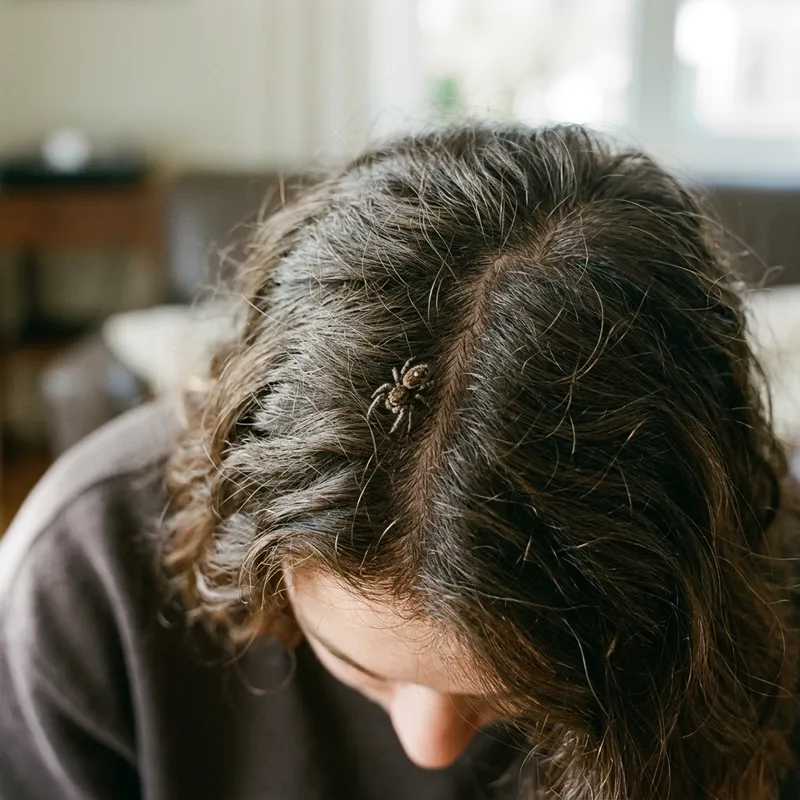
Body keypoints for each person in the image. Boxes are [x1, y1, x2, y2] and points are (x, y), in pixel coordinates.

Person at [1, 123, 798, 800]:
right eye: (356, 663)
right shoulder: (86, 573)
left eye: (512, 690)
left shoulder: (768, 577)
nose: (429, 747)